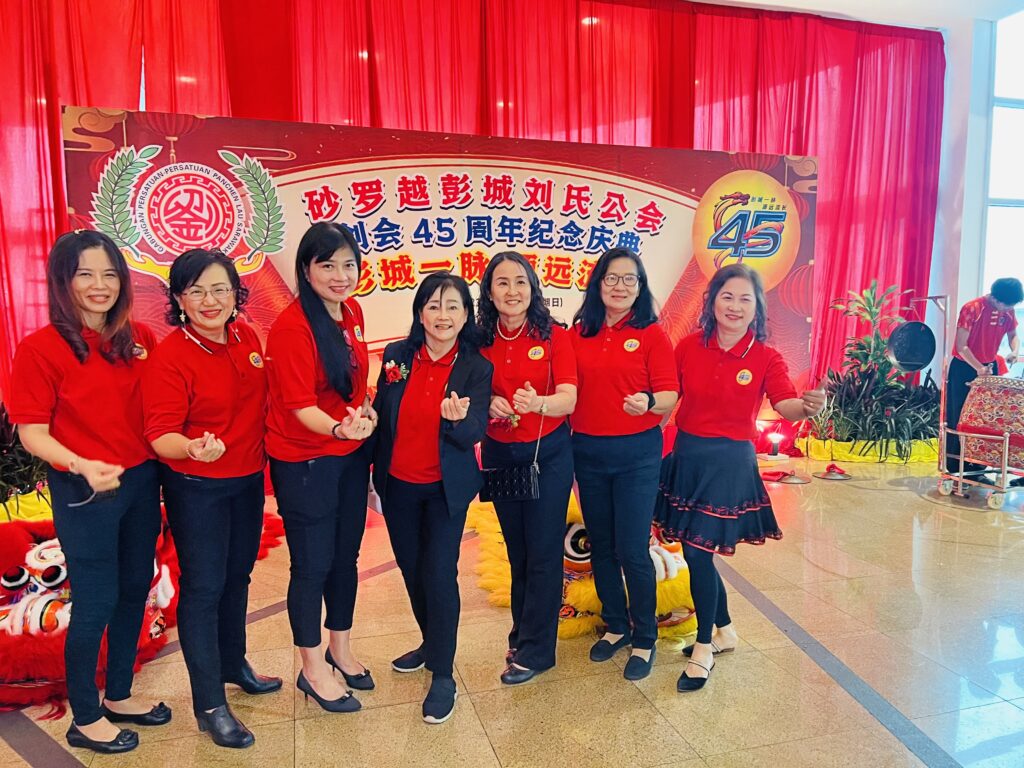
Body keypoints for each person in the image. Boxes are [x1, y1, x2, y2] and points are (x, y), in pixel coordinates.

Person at [8, 230, 168, 754]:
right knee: (97, 599)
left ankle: (119, 695)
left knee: (134, 588)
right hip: (84, 487)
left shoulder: (138, 337)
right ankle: (85, 715)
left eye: (109, 274)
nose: (100, 285)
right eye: (85, 274)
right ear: (63, 281)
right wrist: (80, 463)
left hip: (140, 481)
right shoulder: (40, 349)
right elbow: (32, 433)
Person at [654, 263, 825, 692]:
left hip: (729, 465)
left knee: (698, 555)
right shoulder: (688, 346)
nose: (734, 305)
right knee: (697, 552)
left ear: (757, 307)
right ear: (712, 300)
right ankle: (726, 630)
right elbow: (668, 400)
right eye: (727, 296)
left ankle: (704, 646)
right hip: (687, 458)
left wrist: (808, 407)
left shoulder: (766, 357)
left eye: (745, 298)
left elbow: (786, 404)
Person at [142, 249, 281, 749]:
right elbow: (160, 435)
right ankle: (209, 705)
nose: (210, 300)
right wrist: (192, 448)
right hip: (196, 487)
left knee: (238, 577)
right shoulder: (171, 356)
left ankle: (233, 664)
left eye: (220, 289)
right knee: (204, 588)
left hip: (246, 480)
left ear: (236, 294)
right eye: (196, 290)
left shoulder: (246, 336)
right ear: (178, 299)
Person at [266, 222, 377, 714]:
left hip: (349, 455)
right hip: (305, 460)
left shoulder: (351, 311)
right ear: (306, 270)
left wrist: (366, 411)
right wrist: (338, 429)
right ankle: (312, 668)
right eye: (327, 265)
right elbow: (299, 406)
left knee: (345, 558)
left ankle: (340, 649)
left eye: (348, 264)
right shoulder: (292, 327)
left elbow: (353, 384)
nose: (340, 275)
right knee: (311, 565)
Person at [372, 272, 493, 723]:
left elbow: (474, 431)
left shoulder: (476, 367)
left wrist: (458, 421)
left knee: (440, 574)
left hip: (445, 491)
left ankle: (443, 673)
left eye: (453, 306)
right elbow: (382, 412)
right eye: (434, 305)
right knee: (412, 570)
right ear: (420, 312)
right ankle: (431, 642)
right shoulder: (397, 355)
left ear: (466, 315)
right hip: (398, 485)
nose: (443, 315)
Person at [569, 247, 679, 682]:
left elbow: (669, 395)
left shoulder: (651, 334)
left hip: (637, 455)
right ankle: (616, 625)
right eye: (612, 278)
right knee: (601, 545)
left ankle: (645, 637)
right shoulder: (578, 333)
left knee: (632, 549)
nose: (620, 286)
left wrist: (648, 402)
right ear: (598, 283)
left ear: (640, 286)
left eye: (629, 279)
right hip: (587, 452)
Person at [477, 252, 578, 685]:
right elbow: (466, 393)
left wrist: (539, 403)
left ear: (533, 288)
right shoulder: (478, 339)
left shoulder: (554, 335)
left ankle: (538, 651)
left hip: (547, 454)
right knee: (517, 552)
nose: (512, 291)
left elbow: (569, 398)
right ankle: (521, 636)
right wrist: (488, 403)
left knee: (542, 552)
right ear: (489, 292)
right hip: (500, 455)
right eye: (502, 283)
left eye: (520, 282)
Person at [945, 278, 1022, 474]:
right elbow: (961, 346)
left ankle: (978, 467)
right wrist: (978, 368)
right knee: (960, 415)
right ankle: (955, 467)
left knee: (986, 417)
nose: (1008, 309)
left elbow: (1013, 335)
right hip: (965, 366)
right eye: (1006, 305)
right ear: (995, 298)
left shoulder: (1008, 311)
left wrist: (1015, 351)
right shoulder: (972, 308)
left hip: (989, 367)